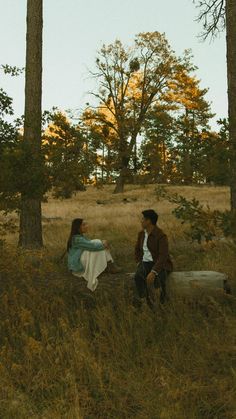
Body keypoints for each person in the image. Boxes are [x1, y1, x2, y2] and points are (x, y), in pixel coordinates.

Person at [67, 218, 121, 291]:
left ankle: (109, 265)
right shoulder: (76, 239)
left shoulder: (80, 237)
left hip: (81, 259)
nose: (86, 226)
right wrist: (103, 244)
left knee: (98, 244)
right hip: (77, 265)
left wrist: (102, 243)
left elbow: (91, 245)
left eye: (86, 224)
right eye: (83, 225)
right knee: (97, 246)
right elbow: (91, 246)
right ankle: (109, 265)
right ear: (78, 227)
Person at [134, 209, 173, 308]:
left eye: (143, 219)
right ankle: (145, 303)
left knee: (158, 281)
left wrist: (154, 271)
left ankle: (160, 305)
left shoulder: (160, 235)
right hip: (145, 262)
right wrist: (139, 262)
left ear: (149, 221)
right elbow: (137, 249)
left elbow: (163, 256)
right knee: (138, 277)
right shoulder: (141, 234)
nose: (141, 221)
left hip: (159, 263)